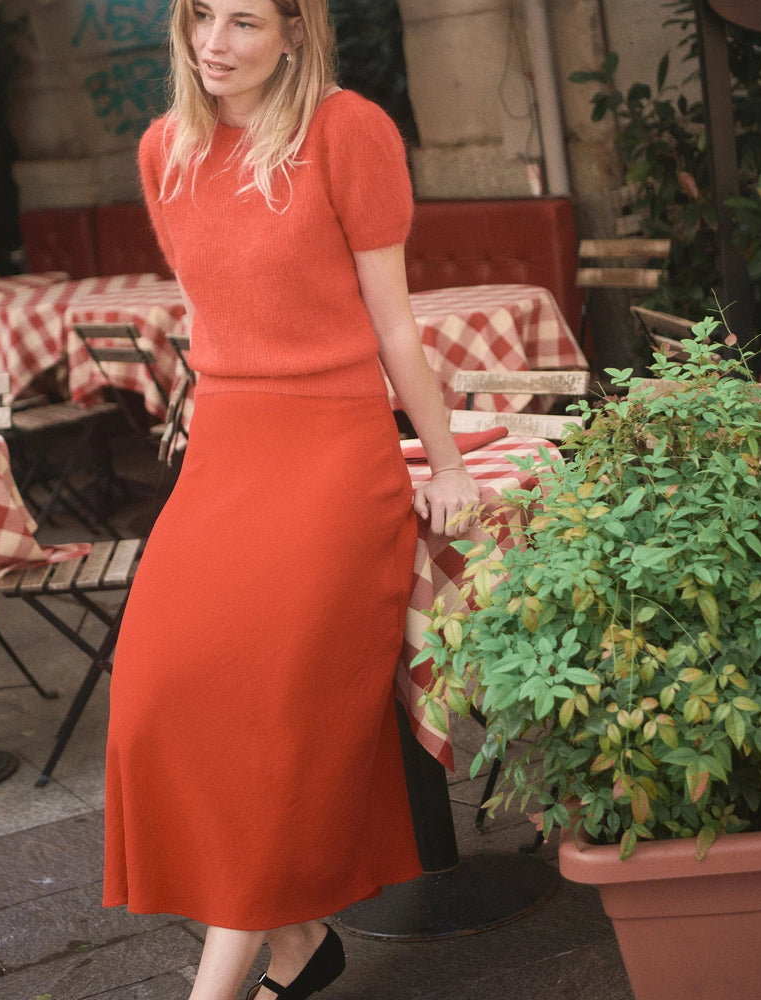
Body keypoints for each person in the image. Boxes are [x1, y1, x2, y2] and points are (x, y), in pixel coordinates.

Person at [103, 1, 481, 998]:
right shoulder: (163, 151)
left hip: (332, 456)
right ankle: (296, 941)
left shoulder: (347, 133)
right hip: (226, 452)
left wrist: (442, 467)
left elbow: (395, 326)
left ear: (295, 34)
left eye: (243, 21)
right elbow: (207, 307)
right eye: (199, 17)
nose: (214, 42)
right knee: (151, 707)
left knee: (274, 723)